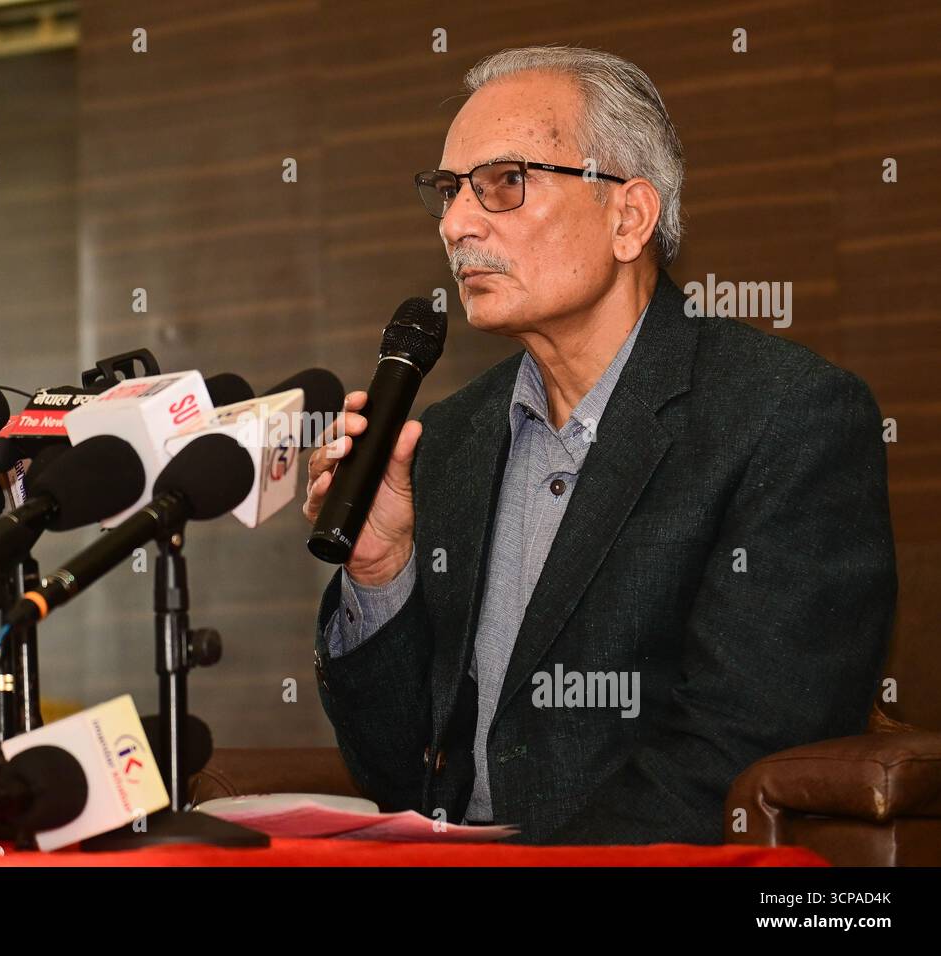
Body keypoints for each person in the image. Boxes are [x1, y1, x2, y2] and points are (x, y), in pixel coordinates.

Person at [302, 46, 897, 844]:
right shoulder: (442, 441)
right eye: (448, 191)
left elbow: (745, 752)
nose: (454, 224)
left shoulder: (785, 417)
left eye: (505, 182)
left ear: (629, 218)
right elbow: (396, 776)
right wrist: (381, 575)